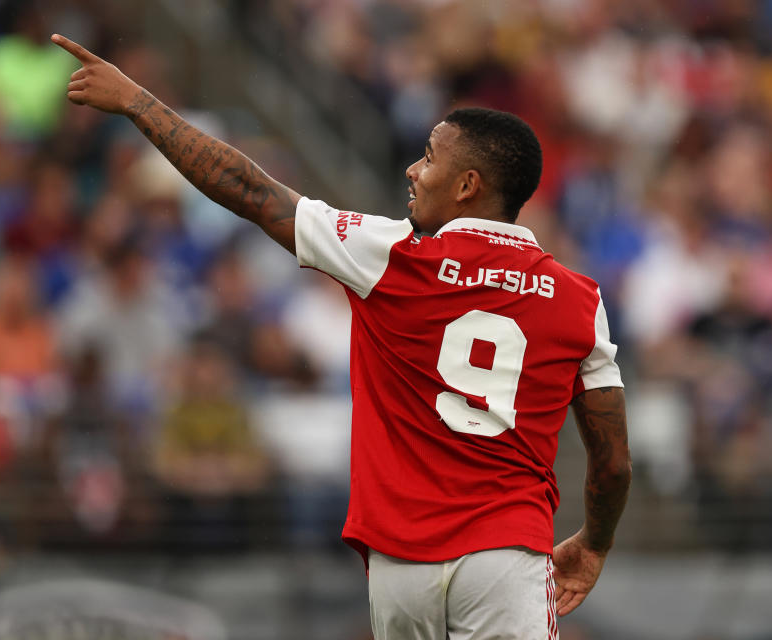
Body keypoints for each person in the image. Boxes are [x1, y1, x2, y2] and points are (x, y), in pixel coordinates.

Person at [50, 33, 632, 639]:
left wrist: (138, 102)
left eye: (429, 157)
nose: (412, 169)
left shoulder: (389, 255)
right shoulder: (579, 300)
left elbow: (248, 189)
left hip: (399, 564)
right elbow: (612, 464)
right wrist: (594, 543)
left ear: (468, 186)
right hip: (505, 559)